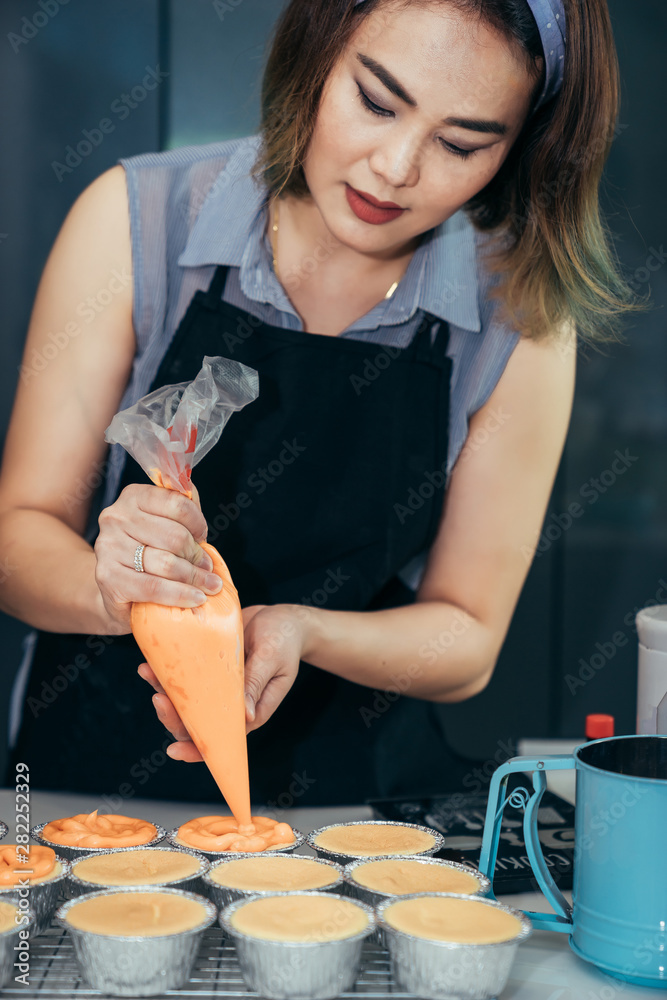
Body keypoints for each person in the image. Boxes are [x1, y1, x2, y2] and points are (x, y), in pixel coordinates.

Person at [1, 0, 636, 806]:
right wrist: (109, 585)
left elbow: (466, 640)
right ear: (316, 53)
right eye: (375, 101)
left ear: (518, 149)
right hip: (85, 788)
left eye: (461, 143)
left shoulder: (519, 314)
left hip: (353, 805)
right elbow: (16, 540)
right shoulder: (137, 222)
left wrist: (299, 629)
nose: (396, 168)